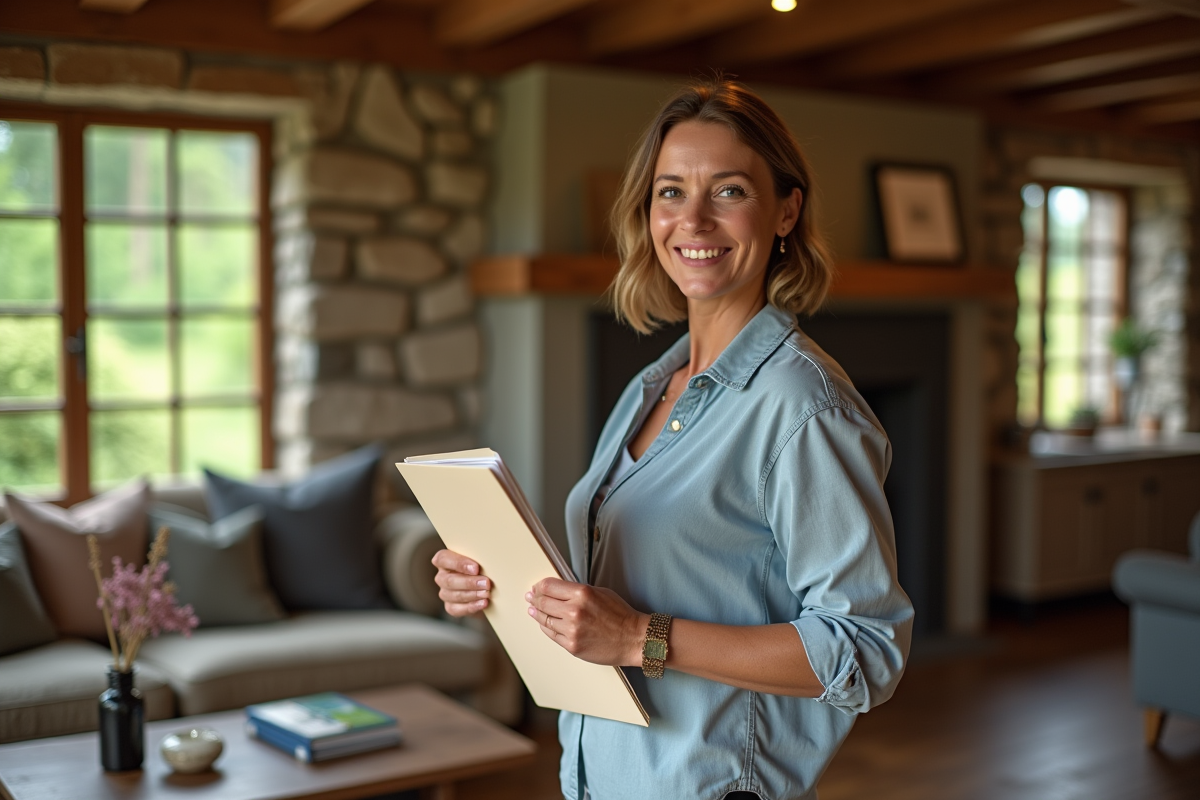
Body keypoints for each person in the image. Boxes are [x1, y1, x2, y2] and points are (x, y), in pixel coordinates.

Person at [433, 79, 913, 800]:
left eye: (728, 192)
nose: (692, 219)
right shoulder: (651, 388)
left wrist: (637, 639)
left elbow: (865, 652)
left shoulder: (804, 407)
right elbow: (645, 581)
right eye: (669, 192)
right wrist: (502, 581)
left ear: (786, 210)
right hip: (606, 775)